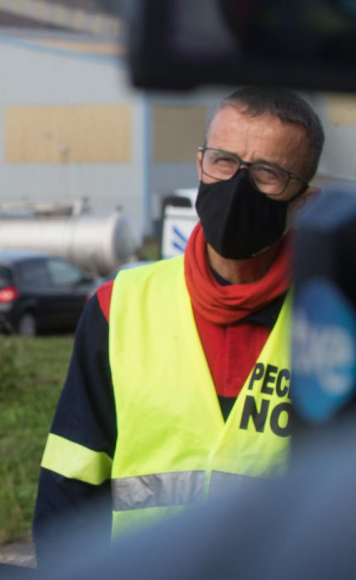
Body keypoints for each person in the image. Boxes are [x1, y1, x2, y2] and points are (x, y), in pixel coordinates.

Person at [32, 87, 324, 566]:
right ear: (200, 166)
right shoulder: (117, 307)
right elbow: (69, 489)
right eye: (224, 161)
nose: (237, 184)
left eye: (267, 173)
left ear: (303, 201)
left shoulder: (335, 328)